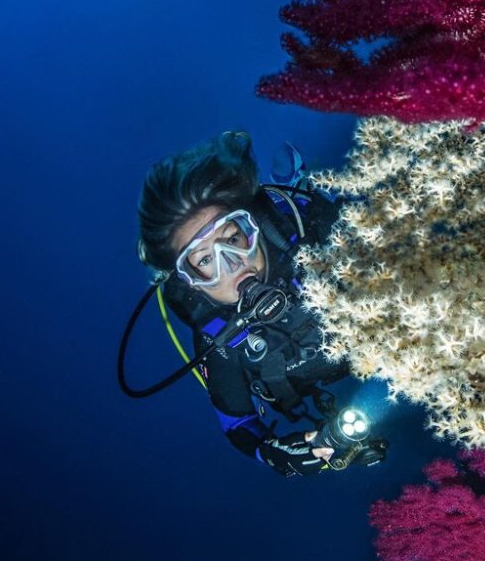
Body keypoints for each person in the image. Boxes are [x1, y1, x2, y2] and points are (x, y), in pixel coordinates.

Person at [135, 130, 385, 477]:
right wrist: (273, 452)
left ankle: (299, 180)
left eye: (233, 238)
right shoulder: (217, 337)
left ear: (251, 225)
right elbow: (237, 423)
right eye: (205, 261)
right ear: (189, 281)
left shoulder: (312, 236)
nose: (233, 262)